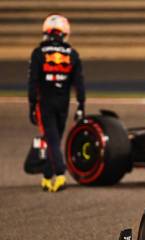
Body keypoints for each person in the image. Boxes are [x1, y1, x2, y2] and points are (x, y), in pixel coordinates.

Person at [28, 14, 85, 192]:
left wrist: (31, 104)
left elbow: (33, 81)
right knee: (55, 139)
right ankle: (47, 175)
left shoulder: (38, 53)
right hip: (63, 103)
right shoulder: (73, 54)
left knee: (51, 140)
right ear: (65, 32)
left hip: (45, 101)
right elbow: (79, 83)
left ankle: (59, 174)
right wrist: (81, 105)